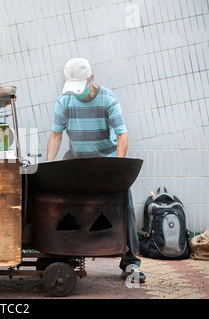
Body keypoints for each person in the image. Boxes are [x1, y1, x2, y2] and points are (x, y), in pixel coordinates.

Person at [46, 57, 146, 283]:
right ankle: (63, 254)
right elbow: (55, 135)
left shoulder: (108, 99)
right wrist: (49, 166)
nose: (77, 93)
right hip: (76, 164)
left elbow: (122, 135)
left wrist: (119, 169)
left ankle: (130, 264)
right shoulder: (64, 100)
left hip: (105, 165)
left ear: (91, 78)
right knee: (60, 204)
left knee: (125, 206)